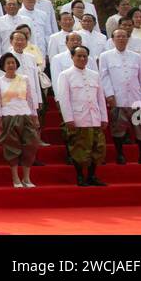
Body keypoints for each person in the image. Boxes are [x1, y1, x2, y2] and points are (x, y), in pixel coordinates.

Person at [99, 29, 141, 166]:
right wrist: (109, 95)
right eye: (118, 36)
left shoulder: (135, 57)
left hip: (136, 99)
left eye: (124, 37)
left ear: (127, 39)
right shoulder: (105, 56)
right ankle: (120, 154)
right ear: (112, 39)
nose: (121, 39)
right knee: (118, 128)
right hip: (118, 99)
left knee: (140, 127)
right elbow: (104, 77)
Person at [56, 45, 108, 186]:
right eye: (79, 56)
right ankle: (80, 176)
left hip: (94, 117)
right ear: (72, 57)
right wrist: (69, 119)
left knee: (97, 149)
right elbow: (64, 99)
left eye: (85, 56)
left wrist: (104, 118)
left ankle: (92, 176)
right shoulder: (65, 75)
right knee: (79, 149)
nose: (82, 58)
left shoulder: (94, 75)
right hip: (78, 118)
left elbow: (100, 98)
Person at [0, 52, 41, 188]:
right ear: (3, 65)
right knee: (11, 147)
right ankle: (16, 178)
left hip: (25, 114)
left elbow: (30, 98)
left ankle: (26, 178)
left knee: (30, 146)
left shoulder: (24, 79)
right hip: (8, 116)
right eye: (8, 63)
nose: (11, 65)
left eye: (13, 62)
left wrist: (34, 116)